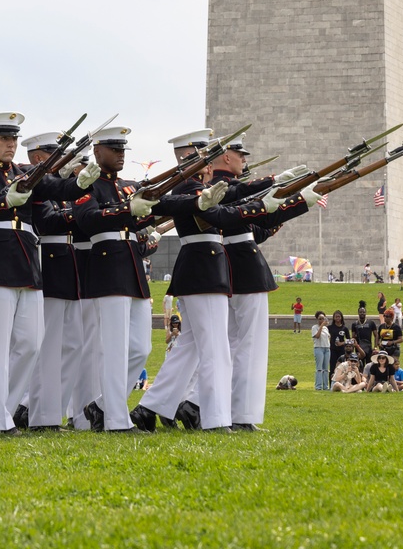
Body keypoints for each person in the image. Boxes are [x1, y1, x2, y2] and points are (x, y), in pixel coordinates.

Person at [130, 129, 314, 434]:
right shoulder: (188, 190)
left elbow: (235, 203)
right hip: (202, 273)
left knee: (194, 345)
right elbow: (224, 208)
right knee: (217, 349)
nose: (207, 163)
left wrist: (282, 194)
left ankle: (149, 408)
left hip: (209, 272)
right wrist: (272, 189)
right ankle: (215, 419)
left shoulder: (201, 189)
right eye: (203, 157)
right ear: (190, 160)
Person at [0, 111, 99, 435]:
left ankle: (2, 409)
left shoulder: (24, 173)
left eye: (13, 139)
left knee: (31, 344)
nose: (10, 144)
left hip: (26, 266)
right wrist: (3, 202)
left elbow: (57, 188)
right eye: (4, 139)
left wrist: (81, 182)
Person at [73, 125, 158, 432]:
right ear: (97, 152)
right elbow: (88, 221)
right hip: (107, 265)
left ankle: (101, 406)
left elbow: (139, 217)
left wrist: (148, 209)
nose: (121, 154)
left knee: (140, 348)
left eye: (123, 150)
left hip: (133, 266)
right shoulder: (86, 185)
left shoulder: (125, 186)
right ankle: (115, 421)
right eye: (115, 149)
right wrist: (127, 209)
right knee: (115, 349)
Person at [327, 311, 351, 378]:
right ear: (334, 318)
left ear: (341, 318)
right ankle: (331, 384)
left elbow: (349, 340)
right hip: (332, 350)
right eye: (336, 316)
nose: (337, 318)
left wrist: (342, 343)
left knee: (342, 367)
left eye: (339, 316)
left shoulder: (344, 328)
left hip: (342, 350)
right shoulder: (330, 328)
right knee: (332, 367)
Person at [311, 311, 331, 390]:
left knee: (326, 369)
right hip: (319, 348)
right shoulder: (314, 327)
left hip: (326, 348)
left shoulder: (326, 328)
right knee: (319, 368)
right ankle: (318, 386)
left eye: (323, 319)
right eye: (320, 319)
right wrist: (322, 326)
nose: (321, 320)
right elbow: (317, 336)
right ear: (317, 319)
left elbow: (328, 337)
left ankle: (325, 386)